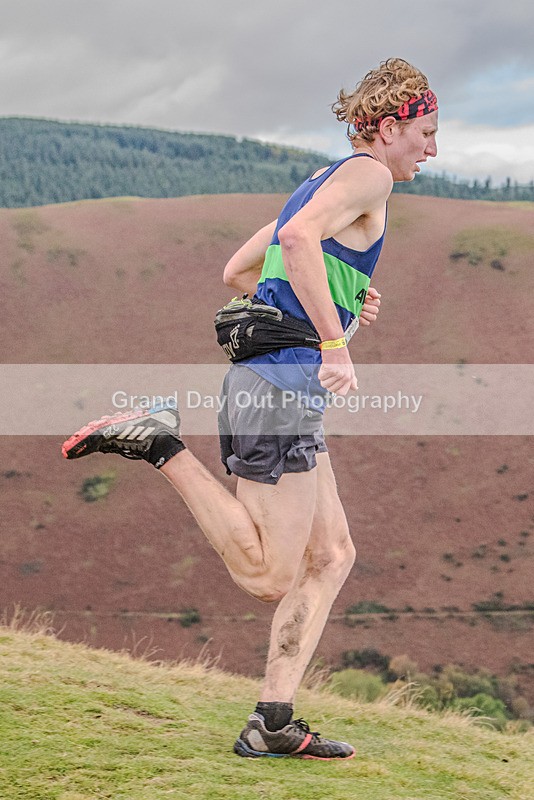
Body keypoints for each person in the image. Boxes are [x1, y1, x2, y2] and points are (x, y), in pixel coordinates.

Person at [63, 57, 438, 760]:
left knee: (331, 554)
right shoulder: (371, 174)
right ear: (389, 128)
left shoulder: (318, 186)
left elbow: (242, 270)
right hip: (284, 384)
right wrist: (335, 340)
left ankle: (271, 720)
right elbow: (295, 244)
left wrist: (345, 293)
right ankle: (157, 443)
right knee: (269, 576)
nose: (432, 149)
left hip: (270, 381)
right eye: (426, 132)